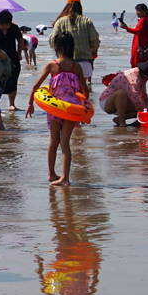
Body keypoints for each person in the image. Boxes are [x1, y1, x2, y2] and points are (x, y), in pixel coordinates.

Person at [26, 31, 90, 185]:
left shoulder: (52, 65)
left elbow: (36, 86)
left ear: (56, 47)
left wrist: (30, 104)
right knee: (65, 142)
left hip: (55, 107)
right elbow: (85, 91)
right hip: (71, 108)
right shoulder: (77, 67)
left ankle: (51, 174)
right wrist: (83, 102)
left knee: (54, 140)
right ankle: (65, 178)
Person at [98, 60, 148, 125]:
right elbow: (135, 99)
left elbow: (143, 96)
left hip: (123, 103)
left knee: (144, 108)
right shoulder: (134, 78)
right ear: (147, 74)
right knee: (121, 93)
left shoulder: (142, 77)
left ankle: (119, 119)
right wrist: (147, 115)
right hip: (107, 102)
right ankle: (122, 123)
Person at [50, 0, 100, 82]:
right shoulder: (87, 21)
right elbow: (95, 39)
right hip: (84, 62)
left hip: (64, 63)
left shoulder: (60, 21)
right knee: (81, 90)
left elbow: (52, 40)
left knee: (65, 90)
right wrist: (94, 50)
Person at [119, 3, 148, 68]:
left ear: (145, 11)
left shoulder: (142, 20)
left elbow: (138, 31)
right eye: (136, 11)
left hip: (142, 46)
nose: (137, 13)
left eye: (139, 11)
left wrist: (126, 28)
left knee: (138, 66)